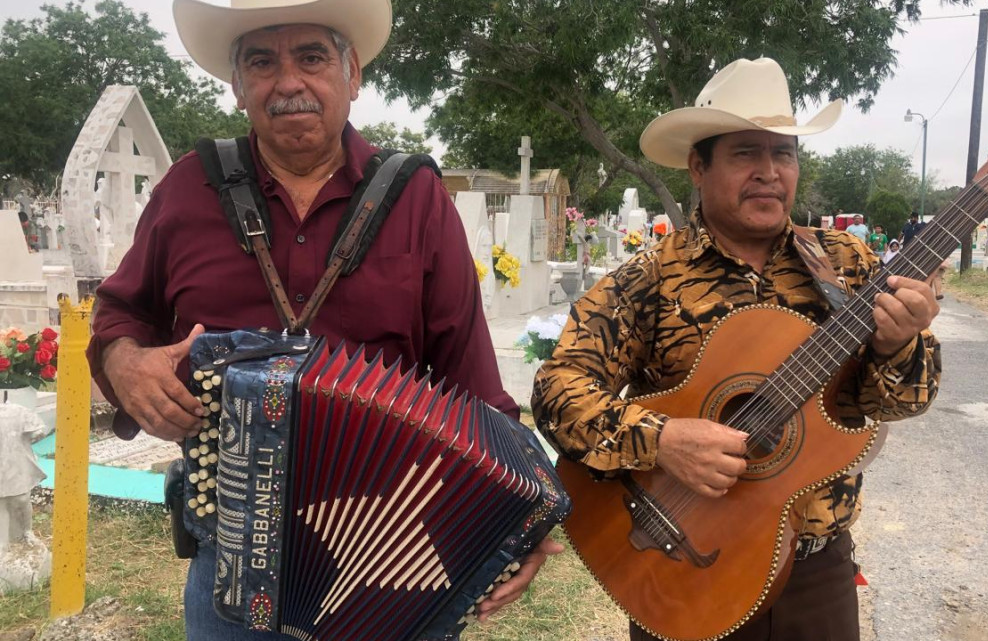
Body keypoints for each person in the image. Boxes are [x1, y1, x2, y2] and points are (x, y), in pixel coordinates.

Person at [86, 1, 559, 638]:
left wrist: (517, 517)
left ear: (351, 73)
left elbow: (469, 375)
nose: (287, 82)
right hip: (227, 547)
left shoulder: (415, 195)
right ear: (237, 86)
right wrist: (126, 361)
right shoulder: (190, 186)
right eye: (261, 61)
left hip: (391, 550)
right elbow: (122, 310)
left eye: (310, 57)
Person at [532, 58, 941, 641]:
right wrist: (664, 441)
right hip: (681, 566)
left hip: (817, 574)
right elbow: (555, 391)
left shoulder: (849, 265)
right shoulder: (649, 279)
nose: (770, 172)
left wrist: (901, 343)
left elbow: (903, 405)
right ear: (699, 167)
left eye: (785, 153)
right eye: (747, 153)